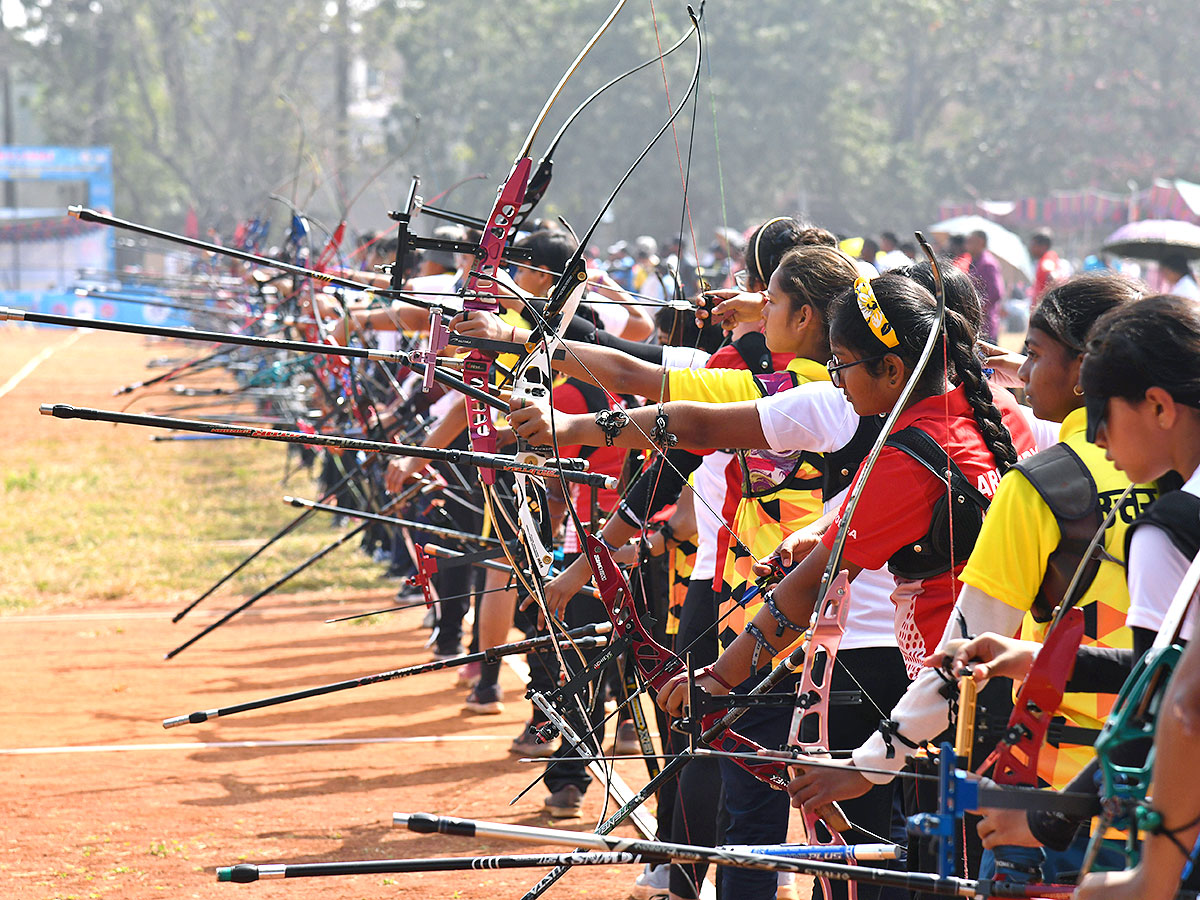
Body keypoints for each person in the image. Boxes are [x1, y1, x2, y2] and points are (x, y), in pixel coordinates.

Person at [966, 229, 1006, 341]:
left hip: (986, 325)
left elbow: (996, 293)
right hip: (975, 323)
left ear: (980, 242)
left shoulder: (988, 264)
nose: (967, 245)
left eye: (970, 241)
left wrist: (979, 308)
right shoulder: (974, 261)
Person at [1028, 229, 1061, 306]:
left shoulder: (1047, 259)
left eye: (1033, 244)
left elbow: (1053, 277)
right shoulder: (1049, 257)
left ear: (1043, 246)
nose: (1031, 248)